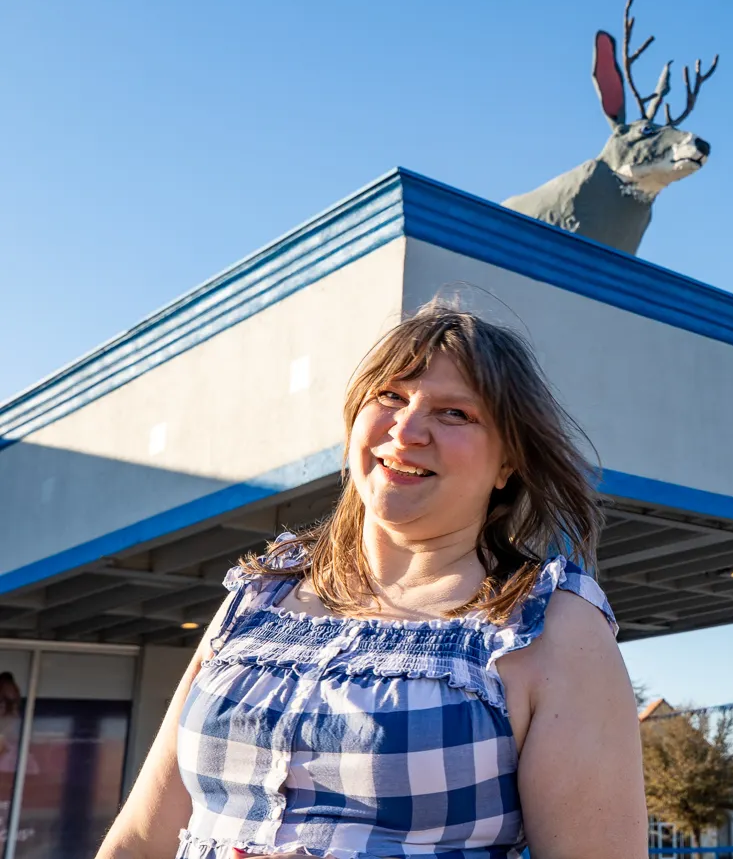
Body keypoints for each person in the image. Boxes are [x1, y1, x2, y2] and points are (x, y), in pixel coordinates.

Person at [97, 303, 647, 859]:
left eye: (454, 413)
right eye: (390, 396)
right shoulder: (259, 596)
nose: (407, 428)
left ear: (508, 464)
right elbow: (142, 839)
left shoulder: (550, 628)